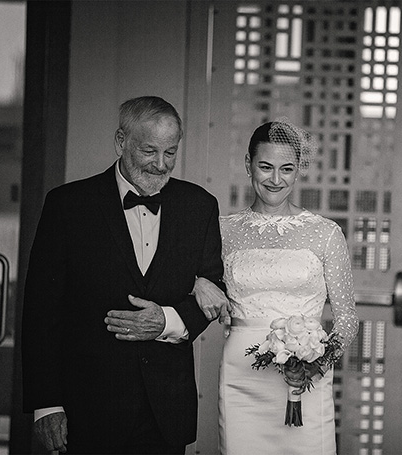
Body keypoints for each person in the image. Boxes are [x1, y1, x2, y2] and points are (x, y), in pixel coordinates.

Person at [21, 96, 225, 454]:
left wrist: (166, 321)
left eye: (171, 152)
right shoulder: (68, 205)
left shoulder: (200, 206)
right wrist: (47, 404)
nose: (161, 165)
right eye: (149, 151)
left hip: (166, 412)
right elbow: (41, 311)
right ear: (121, 142)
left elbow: (213, 292)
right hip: (88, 408)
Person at [196, 119, 359, 454]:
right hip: (242, 375)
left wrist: (317, 361)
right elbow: (194, 281)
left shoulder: (325, 233)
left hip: (305, 378)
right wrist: (197, 282)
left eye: (286, 169)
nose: (275, 179)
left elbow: (347, 319)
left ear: (298, 169)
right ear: (248, 165)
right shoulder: (222, 230)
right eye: (265, 167)